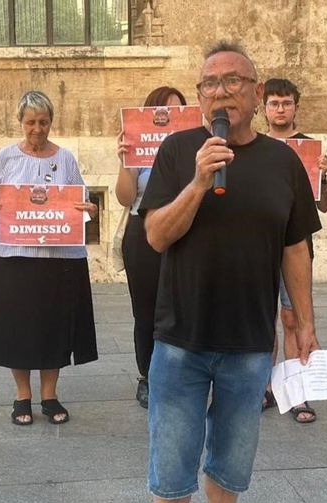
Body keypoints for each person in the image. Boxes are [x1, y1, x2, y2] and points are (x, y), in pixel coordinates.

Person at [140, 41, 322, 503]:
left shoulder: (282, 162)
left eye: (233, 81)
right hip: (181, 335)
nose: (220, 92)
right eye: (209, 84)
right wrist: (198, 182)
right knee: (173, 452)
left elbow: (295, 246)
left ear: (256, 91)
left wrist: (304, 321)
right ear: (200, 96)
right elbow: (156, 235)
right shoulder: (178, 151)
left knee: (234, 451)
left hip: (249, 338)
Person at [0, 91, 100, 426]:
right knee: (16, 326)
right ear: (21, 122)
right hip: (11, 257)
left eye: (43, 122)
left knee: (54, 326)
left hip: (58, 258)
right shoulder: (5, 157)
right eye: (31, 122)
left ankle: (49, 395)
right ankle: (22, 396)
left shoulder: (66, 159)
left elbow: (82, 199)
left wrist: (89, 209)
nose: (37, 128)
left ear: (51, 122)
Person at [262, 77, 327, 423]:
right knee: (262, 319)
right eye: (274, 103)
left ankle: (297, 393)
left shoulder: (308, 148)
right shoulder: (255, 146)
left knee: (293, 319)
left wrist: (322, 177)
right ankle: (264, 388)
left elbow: (324, 204)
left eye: (286, 103)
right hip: (259, 244)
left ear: (296, 107)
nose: (280, 109)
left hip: (296, 244)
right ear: (264, 108)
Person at [116, 85, 189, 409]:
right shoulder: (137, 149)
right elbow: (124, 197)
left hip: (185, 232)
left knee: (184, 307)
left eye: (177, 111)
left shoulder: (193, 148)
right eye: (164, 111)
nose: (169, 118)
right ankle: (147, 376)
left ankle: (182, 374)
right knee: (146, 310)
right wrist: (125, 161)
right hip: (143, 231)